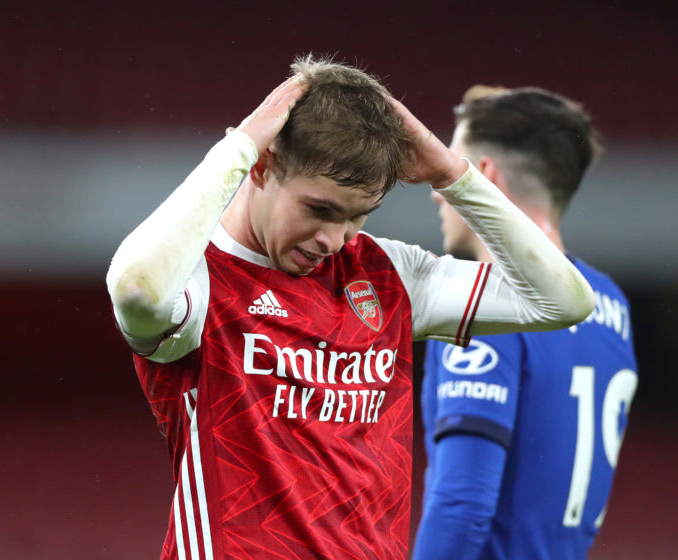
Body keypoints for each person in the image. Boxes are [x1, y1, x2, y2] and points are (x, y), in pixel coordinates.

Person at [106, 57, 595, 560]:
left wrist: (454, 176)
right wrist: (239, 145)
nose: (333, 240)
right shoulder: (199, 283)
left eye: (355, 218)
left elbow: (563, 302)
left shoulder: (387, 275)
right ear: (262, 166)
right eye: (319, 210)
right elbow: (136, 290)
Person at [413, 86, 639, 560]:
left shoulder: (482, 303)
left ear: (481, 175)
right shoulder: (610, 303)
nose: (435, 191)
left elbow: (462, 505)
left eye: (448, 166)